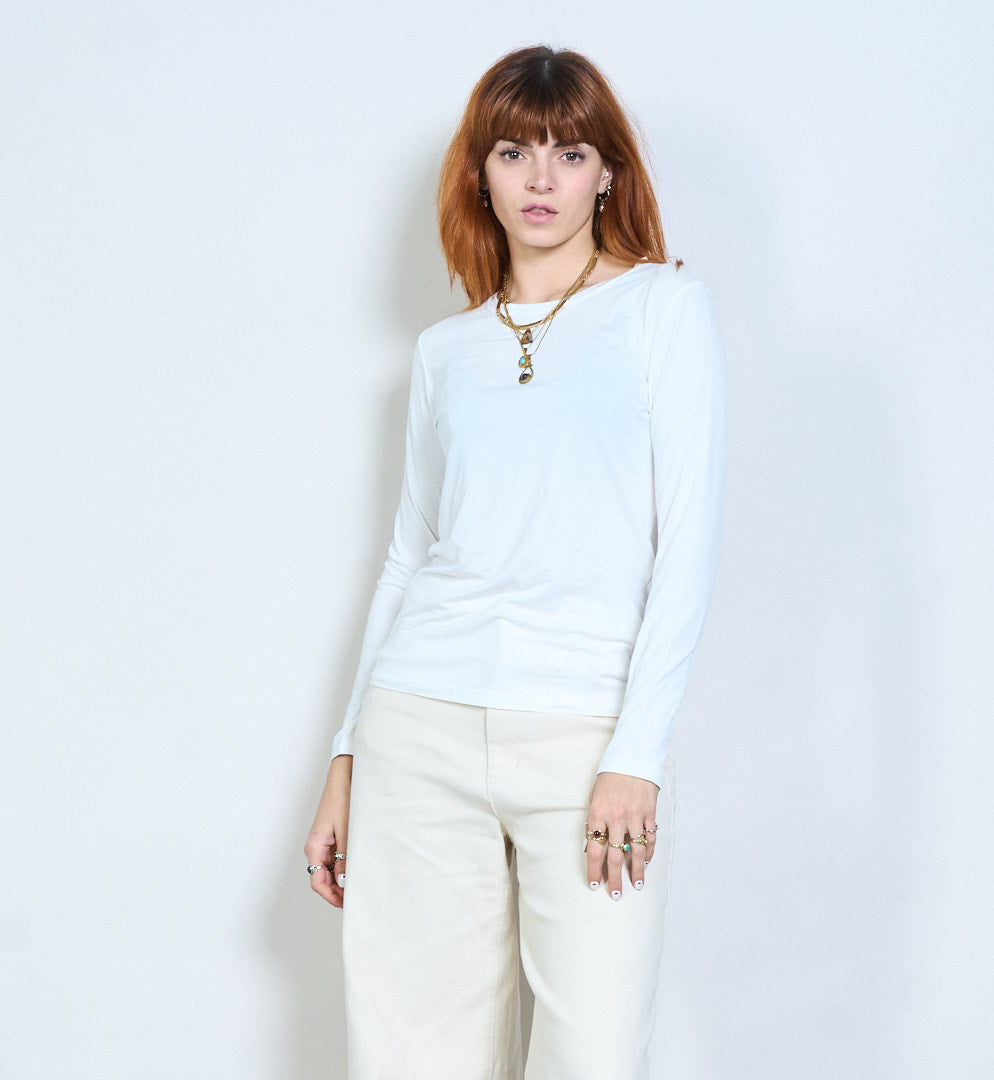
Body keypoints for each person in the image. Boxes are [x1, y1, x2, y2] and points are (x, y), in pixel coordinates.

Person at [305, 44, 725, 1080]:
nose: (541, 179)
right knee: (412, 1057)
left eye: (569, 153)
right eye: (513, 152)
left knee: (592, 1054)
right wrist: (348, 757)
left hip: (584, 737)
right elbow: (409, 556)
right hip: (419, 725)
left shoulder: (662, 309)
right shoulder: (445, 353)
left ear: (608, 173)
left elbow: (689, 542)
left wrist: (637, 754)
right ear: (480, 174)